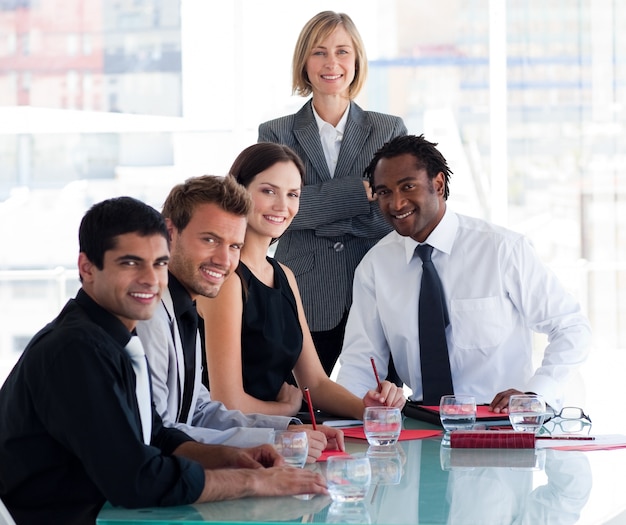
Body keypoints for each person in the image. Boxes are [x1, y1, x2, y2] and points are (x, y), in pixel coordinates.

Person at [0, 197, 327, 525]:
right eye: (130, 263)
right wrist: (252, 482)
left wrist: (235, 458)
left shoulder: (115, 336)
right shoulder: (76, 349)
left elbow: (155, 435)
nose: (151, 279)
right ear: (87, 268)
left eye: (158, 264)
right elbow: (137, 479)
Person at [336, 134, 591, 412]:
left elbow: (570, 327)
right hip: (423, 421)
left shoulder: (502, 250)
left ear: (438, 183)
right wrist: (352, 415)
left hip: (501, 421)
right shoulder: (375, 267)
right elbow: (360, 362)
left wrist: (535, 393)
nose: (396, 204)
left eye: (407, 187)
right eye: (384, 192)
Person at [136, 175, 342, 462]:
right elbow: (159, 436)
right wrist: (274, 441)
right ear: (170, 232)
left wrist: (287, 430)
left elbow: (198, 411)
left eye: (234, 246)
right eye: (210, 240)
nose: (224, 260)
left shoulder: (185, 310)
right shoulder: (147, 318)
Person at [196, 143, 405, 419]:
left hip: (281, 431)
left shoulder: (284, 274)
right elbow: (226, 401)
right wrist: (286, 410)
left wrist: (370, 410)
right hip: (234, 439)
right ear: (238, 191)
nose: (282, 206)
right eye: (268, 191)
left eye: (293, 194)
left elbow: (315, 383)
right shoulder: (227, 280)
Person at [258, 11, 407, 377]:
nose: (331, 63)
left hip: (376, 289)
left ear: (356, 60)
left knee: (380, 409)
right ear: (304, 62)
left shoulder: (388, 129)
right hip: (307, 293)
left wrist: (311, 208)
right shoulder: (277, 133)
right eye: (319, 52)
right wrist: (360, 192)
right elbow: (277, 212)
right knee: (305, 408)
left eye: (342, 52)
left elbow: (393, 212)